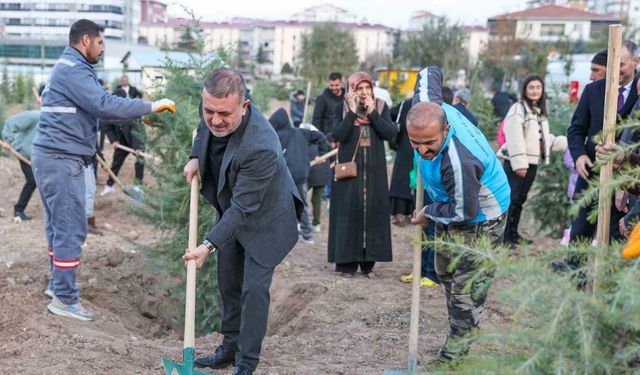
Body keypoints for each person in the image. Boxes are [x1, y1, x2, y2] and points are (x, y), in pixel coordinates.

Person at [31, 19, 175, 321]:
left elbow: (92, 108)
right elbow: (104, 105)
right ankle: (65, 299)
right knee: (70, 227)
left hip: (53, 157)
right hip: (61, 159)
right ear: (86, 40)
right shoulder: (73, 70)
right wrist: (150, 106)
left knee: (58, 225)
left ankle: (58, 286)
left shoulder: (71, 68)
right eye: (100, 43)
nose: (103, 48)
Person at [183, 68, 302, 375]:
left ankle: (245, 364)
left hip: (267, 221)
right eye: (209, 110)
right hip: (234, 212)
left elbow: (243, 208)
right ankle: (229, 348)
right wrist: (196, 155)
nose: (215, 119)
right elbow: (202, 129)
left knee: (253, 291)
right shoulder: (213, 108)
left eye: (224, 114)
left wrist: (207, 246)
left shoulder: (261, 144)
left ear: (244, 106)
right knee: (229, 282)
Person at [408, 66, 511, 362]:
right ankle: (460, 324)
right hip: (452, 202)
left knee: (467, 287)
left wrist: (428, 210)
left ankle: (453, 358)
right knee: (445, 272)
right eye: (416, 144)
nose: (423, 151)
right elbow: (429, 73)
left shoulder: (458, 162)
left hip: (482, 213)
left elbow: (464, 211)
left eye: (430, 144)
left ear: (447, 129)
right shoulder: (426, 105)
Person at [567, 39, 639, 246]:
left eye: (622, 64)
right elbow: (576, 129)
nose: (616, 70)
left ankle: (608, 278)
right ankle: (574, 276)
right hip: (591, 173)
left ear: (636, 61)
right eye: (613, 63)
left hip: (626, 180)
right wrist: (579, 155)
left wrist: (627, 185)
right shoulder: (593, 91)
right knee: (579, 232)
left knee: (615, 239)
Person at [328, 71, 397, 277]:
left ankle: (368, 263)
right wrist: (351, 113)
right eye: (360, 88)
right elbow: (338, 134)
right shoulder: (340, 108)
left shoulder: (381, 106)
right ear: (352, 90)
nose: (365, 92)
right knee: (348, 212)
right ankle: (347, 264)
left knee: (372, 214)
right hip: (350, 171)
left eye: (368, 88)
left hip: (374, 171)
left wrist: (373, 113)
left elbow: (390, 133)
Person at [498, 75, 567, 246]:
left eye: (538, 87)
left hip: (532, 162)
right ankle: (504, 237)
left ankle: (514, 235)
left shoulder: (538, 112)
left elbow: (542, 138)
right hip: (517, 163)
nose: (535, 91)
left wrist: (567, 142)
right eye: (531, 87)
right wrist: (519, 164)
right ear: (525, 90)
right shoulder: (518, 109)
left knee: (521, 200)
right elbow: (514, 136)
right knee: (511, 200)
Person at [268, 108, 330, 244]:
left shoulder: (276, 135)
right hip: (302, 175)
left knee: (281, 205)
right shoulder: (301, 132)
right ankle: (305, 234)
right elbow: (320, 136)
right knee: (300, 204)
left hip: (286, 176)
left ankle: (301, 234)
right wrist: (322, 152)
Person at [100, 75, 146, 196]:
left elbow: (137, 131)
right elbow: (107, 127)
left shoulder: (131, 111)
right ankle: (109, 185)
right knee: (116, 162)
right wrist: (113, 140)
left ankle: (138, 185)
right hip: (121, 141)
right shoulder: (110, 111)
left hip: (135, 139)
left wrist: (138, 147)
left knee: (140, 161)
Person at [1, 110, 40, 222]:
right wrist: (8, 141)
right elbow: (11, 122)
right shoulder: (36, 116)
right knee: (32, 181)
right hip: (24, 153)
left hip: (37, 157)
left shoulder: (56, 123)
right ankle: (19, 211)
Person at [298, 120, 332, 233]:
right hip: (322, 176)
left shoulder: (305, 143)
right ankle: (316, 223)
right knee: (316, 199)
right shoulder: (322, 141)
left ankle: (300, 222)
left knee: (300, 198)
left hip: (310, 175)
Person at [389, 98, 414, 226]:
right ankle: (412, 211)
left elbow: (389, 114)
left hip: (406, 144)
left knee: (402, 178)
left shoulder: (406, 103)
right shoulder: (434, 102)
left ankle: (399, 212)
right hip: (424, 146)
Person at [312, 72, 344, 142]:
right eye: (331, 85)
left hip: (344, 136)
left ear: (341, 83)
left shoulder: (346, 98)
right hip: (328, 137)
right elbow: (316, 120)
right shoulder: (322, 99)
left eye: (336, 85)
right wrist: (321, 139)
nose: (334, 88)